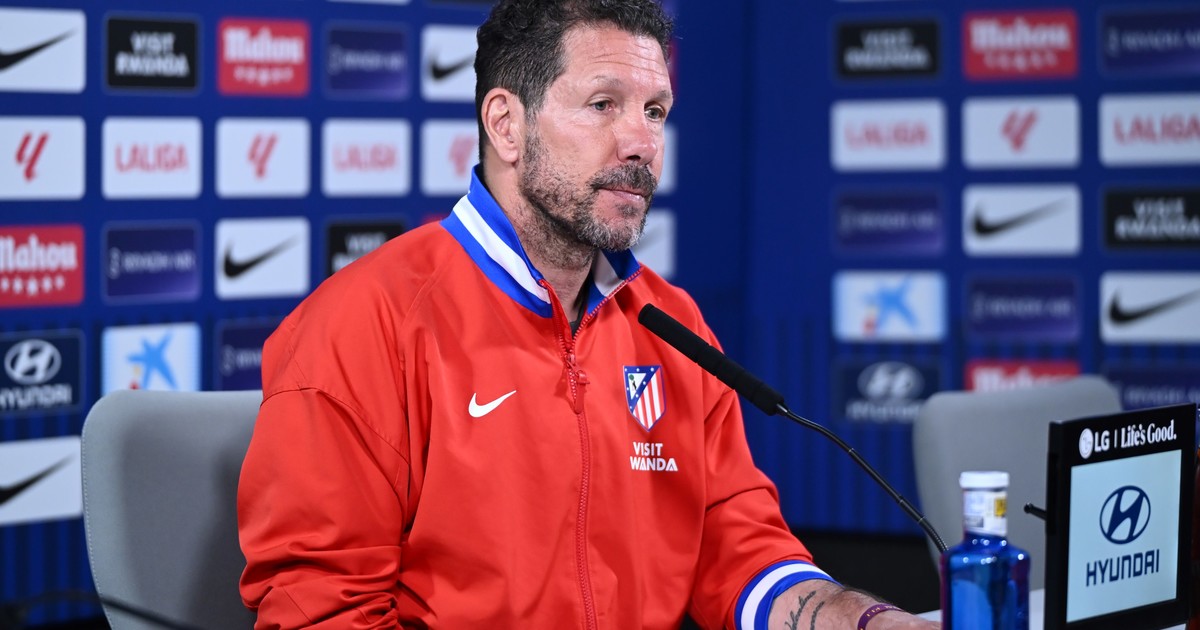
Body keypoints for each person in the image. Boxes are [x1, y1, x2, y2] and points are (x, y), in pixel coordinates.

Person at [236, 1, 940, 628]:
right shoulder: (361, 326)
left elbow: (737, 548)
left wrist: (864, 620)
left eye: (655, 111)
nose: (642, 143)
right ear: (506, 126)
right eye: (604, 104)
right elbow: (320, 608)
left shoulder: (673, 325)